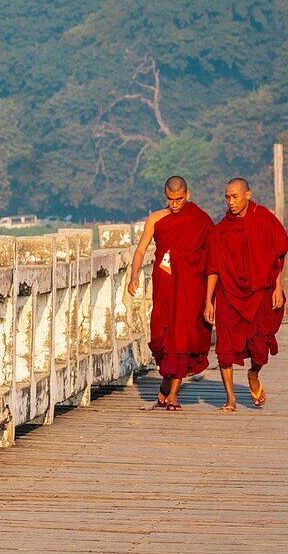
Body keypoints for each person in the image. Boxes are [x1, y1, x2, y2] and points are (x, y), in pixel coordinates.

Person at [127, 176, 214, 411]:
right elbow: (141, 248)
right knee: (162, 334)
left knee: (182, 335)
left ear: (188, 195)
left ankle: (174, 395)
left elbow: (213, 251)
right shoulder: (156, 218)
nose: (175, 204)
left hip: (191, 285)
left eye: (179, 199)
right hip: (164, 283)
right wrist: (134, 275)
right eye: (171, 200)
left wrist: (209, 296)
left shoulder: (199, 219)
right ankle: (167, 380)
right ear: (165, 196)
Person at [204, 178, 288, 412]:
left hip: (260, 291)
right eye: (227, 197)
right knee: (225, 348)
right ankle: (230, 399)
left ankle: (253, 374)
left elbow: (277, 257)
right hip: (229, 294)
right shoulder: (221, 229)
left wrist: (278, 287)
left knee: (260, 348)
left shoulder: (264, 219)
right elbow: (214, 268)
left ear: (248, 195)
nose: (230, 202)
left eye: (235, 196)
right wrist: (208, 301)